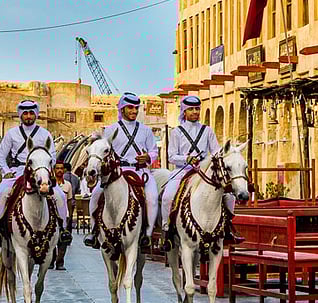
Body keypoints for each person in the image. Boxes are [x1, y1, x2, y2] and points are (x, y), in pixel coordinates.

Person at [0, 100, 71, 248]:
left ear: (36, 115)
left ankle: (63, 230)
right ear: (21, 115)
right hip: (18, 171)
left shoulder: (44, 134)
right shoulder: (11, 134)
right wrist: (6, 172)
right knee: (2, 193)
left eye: (31, 113)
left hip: (40, 171)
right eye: (25, 113)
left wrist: (45, 170)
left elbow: (52, 156)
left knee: (59, 196)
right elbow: (1, 156)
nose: (28, 116)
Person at [86, 92, 159, 249]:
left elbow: (154, 151)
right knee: (95, 196)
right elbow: (102, 151)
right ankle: (94, 231)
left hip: (140, 172)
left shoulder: (146, 130)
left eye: (136, 108)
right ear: (122, 109)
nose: (133, 111)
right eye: (130, 108)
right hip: (117, 172)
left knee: (152, 198)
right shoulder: (110, 130)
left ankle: (147, 234)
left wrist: (147, 157)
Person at [161, 95, 234, 246]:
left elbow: (215, 151)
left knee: (229, 195)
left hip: (203, 171)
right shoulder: (177, 132)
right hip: (182, 171)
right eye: (191, 109)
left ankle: (227, 227)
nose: (195, 112)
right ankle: (167, 228)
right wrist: (186, 159)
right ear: (184, 112)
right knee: (168, 196)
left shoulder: (207, 131)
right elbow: (171, 156)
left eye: (197, 109)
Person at [51, 162, 74, 271]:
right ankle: (51, 260)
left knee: (63, 240)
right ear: (54, 170)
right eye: (57, 168)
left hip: (64, 215)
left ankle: (60, 262)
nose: (59, 170)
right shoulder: (50, 184)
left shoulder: (68, 185)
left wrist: (69, 215)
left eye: (61, 168)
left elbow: (70, 201)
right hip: (52, 215)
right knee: (51, 238)